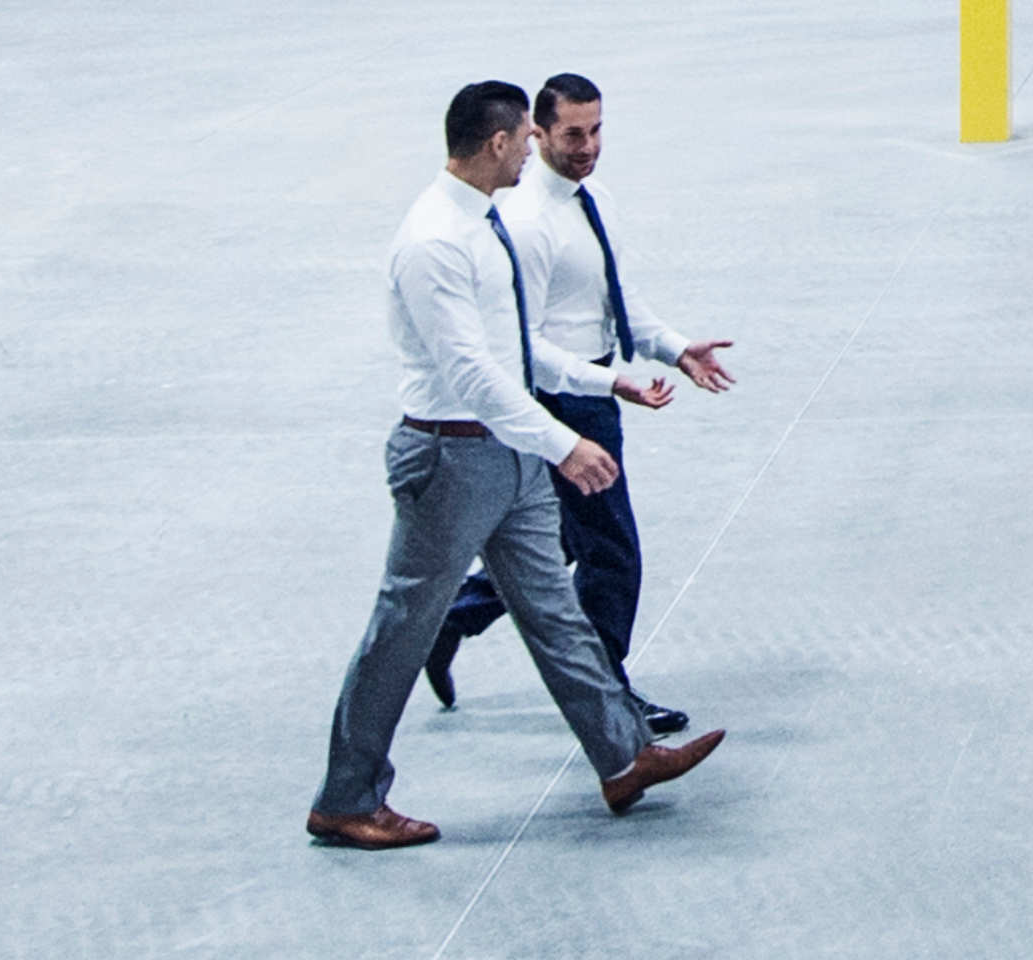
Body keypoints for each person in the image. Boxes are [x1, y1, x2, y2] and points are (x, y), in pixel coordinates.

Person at [307, 80, 728, 850]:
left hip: (504, 452)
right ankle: (346, 798)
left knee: (557, 614)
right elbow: (470, 372)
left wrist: (609, 380)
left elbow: (519, 351)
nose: (537, 148)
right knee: (402, 629)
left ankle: (623, 757)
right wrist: (562, 443)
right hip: (449, 459)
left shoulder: (485, 223)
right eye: (529, 136)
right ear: (501, 142)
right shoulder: (436, 240)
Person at [423, 74, 740, 737]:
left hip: (595, 389)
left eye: (596, 130)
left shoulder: (594, 201)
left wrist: (676, 349)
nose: (588, 146)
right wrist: (608, 385)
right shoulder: (529, 224)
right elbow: (522, 346)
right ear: (535, 133)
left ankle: (451, 616)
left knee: (564, 537)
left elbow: (615, 302)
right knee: (612, 552)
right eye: (573, 133)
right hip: (563, 401)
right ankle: (610, 695)